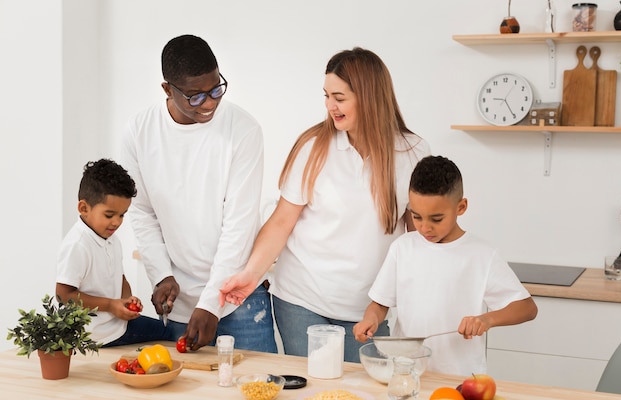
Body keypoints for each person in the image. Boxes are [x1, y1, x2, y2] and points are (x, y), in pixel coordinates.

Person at [220, 47, 431, 362]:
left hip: (368, 308)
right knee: (315, 395)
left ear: (370, 96)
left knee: (363, 398)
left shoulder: (413, 152)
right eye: (327, 96)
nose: (330, 106)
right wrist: (251, 274)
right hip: (301, 300)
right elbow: (281, 222)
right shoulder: (313, 147)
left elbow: (419, 238)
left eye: (340, 97)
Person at [119, 34, 276, 353]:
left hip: (238, 299)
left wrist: (210, 303)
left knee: (257, 395)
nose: (209, 103)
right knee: (186, 399)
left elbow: (239, 226)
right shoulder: (139, 131)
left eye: (216, 89)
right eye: (195, 96)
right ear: (167, 89)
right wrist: (161, 274)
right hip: (178, 303)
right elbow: (142, 212)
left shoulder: (243, 130)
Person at [353, 155, 538, 375]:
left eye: (436, 219)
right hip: (407, 372)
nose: (424, 228)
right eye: (417, 216)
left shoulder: (481, 255)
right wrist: (370, 319)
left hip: (461, 376)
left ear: (461, 207)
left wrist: (486, 320)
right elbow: (380, 304)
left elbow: (527, 308)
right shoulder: (403, 248)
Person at [56, 159, 168, 347]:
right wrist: (110, 305)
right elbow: (63, 295)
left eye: (122, 215)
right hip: (95, 337)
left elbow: (120, 278)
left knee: (169, 331)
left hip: (118, 326)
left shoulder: (111, 239)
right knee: (167, 336)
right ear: (84, 208)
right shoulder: (77, 245)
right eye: (109, 215)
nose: (117, 222)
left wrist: (126, 299)